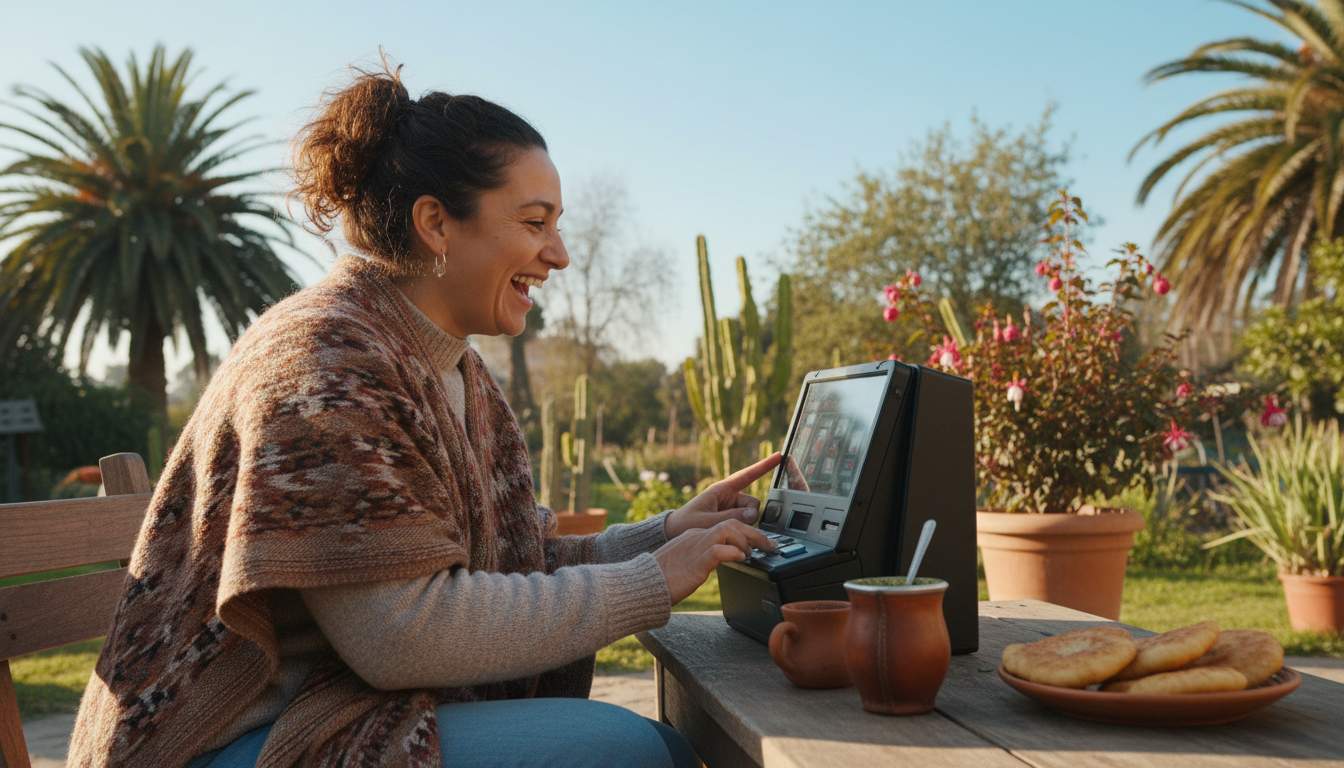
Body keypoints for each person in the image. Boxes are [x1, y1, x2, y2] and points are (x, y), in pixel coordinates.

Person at [65, 60, 780, 768]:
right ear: (436, 222)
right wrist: (653, 582)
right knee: (636, 752)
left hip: (326, 708)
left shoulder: (452, 370)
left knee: (654, 747)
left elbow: (510, 569)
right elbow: (401, 633)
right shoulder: (326, 363)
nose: (558, 255)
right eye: (535, 222)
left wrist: (666, 535)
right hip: (224, 741)